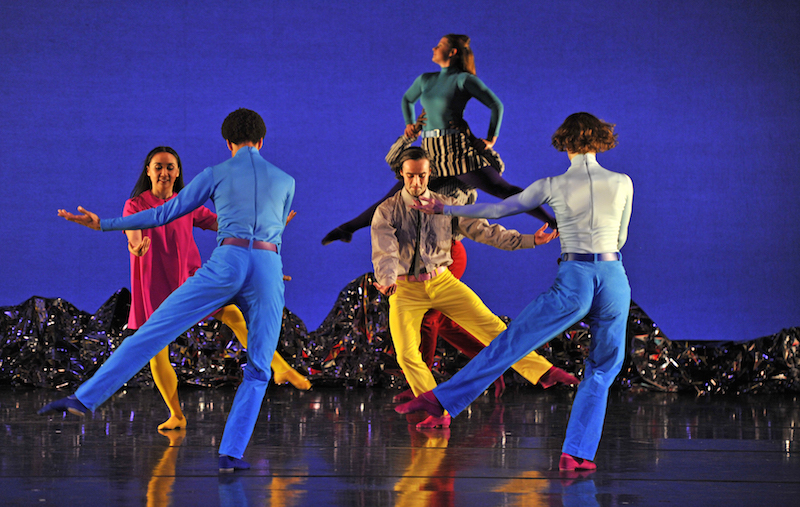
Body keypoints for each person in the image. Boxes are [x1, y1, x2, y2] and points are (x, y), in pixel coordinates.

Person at [43, 108, 294, 473]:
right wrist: (273, 270)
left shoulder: (216, 174)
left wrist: (106, 225)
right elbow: (275, 234)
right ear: (261, 141)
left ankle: (84, 398)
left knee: (152, 333)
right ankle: (230, 455)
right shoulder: (286, 181)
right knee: (258, 369)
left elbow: (165, 213)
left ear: (228, 143)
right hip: (268, 267)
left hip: (229, 262)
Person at [397, 112, 633, 471]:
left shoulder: (552, 184)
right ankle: (577, 454)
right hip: (614, 276)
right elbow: (620, 238)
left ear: (565, 144)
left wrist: (445, 206)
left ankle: (441, 399)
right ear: (600, 141)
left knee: (513, 342)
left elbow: (499, 208)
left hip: (576, 275)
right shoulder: (623, 182)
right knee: (601, 369)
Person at [372, 146, 576, 430]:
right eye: (410, 177)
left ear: (430, 173)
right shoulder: (387, 210)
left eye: (421, 176)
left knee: (493, 327)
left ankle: (544, 372)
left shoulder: (445, 205)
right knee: (407, 353)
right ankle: (438, 408)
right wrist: (387, 278)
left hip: (442, 281)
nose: (416, 183)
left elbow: (486, 231)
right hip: (405, 290)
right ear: (402, 175)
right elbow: (385, 249)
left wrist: (531, 240)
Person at [123, 146, 310, 430]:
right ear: (148, 170)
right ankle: (176, 414)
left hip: (189, 278)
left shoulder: (186, 203)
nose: (164, 172)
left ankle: (279, 366)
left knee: (233, 315)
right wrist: (136, 247)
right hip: (154, 285)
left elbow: (224, 224)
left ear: (177, 172)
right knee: (156, 351)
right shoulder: (135, 205)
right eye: (158, 166)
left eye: (170, 167)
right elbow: (133, 233)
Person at [321, 33, 554, 246]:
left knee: (501, 188)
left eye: (440, 45)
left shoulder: (463, 79)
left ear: (452, 52)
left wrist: (490, 139)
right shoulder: (426, 79)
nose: (434, 48)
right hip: (429, 152)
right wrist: (409, 124)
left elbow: (496, 105)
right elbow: (407, 100)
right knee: (394, 198)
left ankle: (552, 220)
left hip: (456, 150)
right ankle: (347, 228)